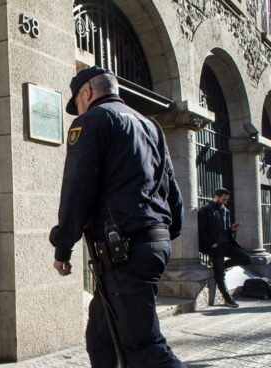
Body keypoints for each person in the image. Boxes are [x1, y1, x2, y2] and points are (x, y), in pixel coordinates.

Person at [49, 66, 186, 368]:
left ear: (87, 92)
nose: (78, 109)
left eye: (78, 102)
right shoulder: (150, 127)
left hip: (125, 250)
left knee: (144, 346)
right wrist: (162, 234)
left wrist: (63, 245)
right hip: (150, 242)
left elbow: (77, 188)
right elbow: (171, 188)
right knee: (101, 336)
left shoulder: (93, 121)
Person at [197, 188, 252, 308]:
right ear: (216, 197)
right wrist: (211, 243)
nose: (225, 202)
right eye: (223, 199)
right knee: (220, 275)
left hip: (227, 244)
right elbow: (201, 231)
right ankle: (227, 298)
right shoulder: (205, 211)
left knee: (247, 259)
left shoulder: (226, 211)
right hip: (215, 247)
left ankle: (223, 266)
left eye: (227, 200)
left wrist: (231, 230)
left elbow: (225, 231)